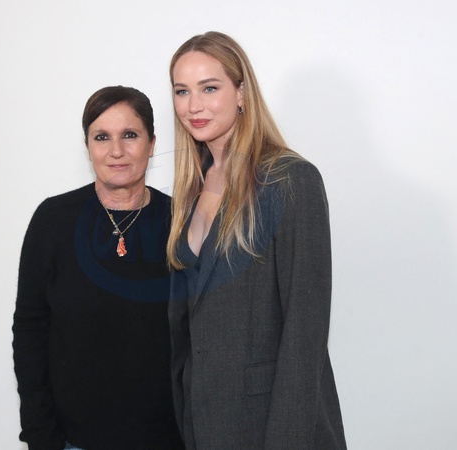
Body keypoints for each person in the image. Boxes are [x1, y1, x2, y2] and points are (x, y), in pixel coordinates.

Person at [166, 31, 348, 449]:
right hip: (202, 423)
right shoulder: (191, 189)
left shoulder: (290, 180)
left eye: (209, 88)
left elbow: (305, 332)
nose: (194, 106)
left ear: (242, 93)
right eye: (182, 91)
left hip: (270, 427)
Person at [13, 86, 184, 450]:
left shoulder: (182, 221)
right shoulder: (53, 220)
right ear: (88, 146)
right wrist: (41, 435)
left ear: (152, 144)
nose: (116, 151)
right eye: (102, 137)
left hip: (167, 439)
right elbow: (30, 329)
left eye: (130, 135)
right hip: (73, 440)